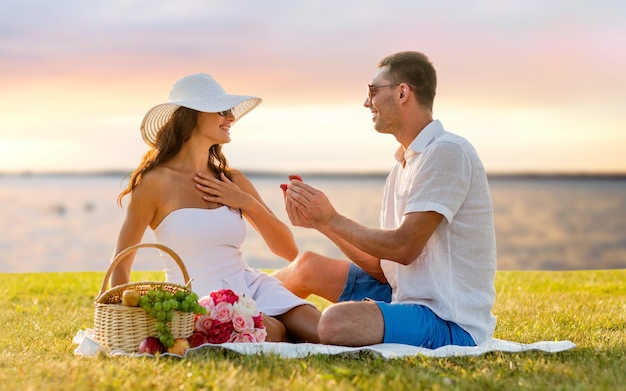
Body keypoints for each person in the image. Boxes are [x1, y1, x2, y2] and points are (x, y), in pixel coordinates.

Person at [273, 51, 497, 348]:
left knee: (336, 322)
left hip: (447, 320)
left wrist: (331, 218)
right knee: (306, 266)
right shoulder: (401, 166)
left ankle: (266, 330)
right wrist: (321, 223)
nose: (367, 102)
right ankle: (229, 311)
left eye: (372, 91)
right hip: (401, 296)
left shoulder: (447, 151)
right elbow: (383, 267)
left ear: (403, 92)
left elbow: (404, 247)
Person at [110, 73, 321, 343]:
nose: (231, 117)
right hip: (203, 303)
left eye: (230, 110)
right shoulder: (154, 183)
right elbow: (121, 263)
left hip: (252, 286)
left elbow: (287, 250)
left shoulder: (232, 180)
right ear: (192, 115)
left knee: (328, 330)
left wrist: (245, 202)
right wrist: (126, 317)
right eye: (222, 110)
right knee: (279, 332)